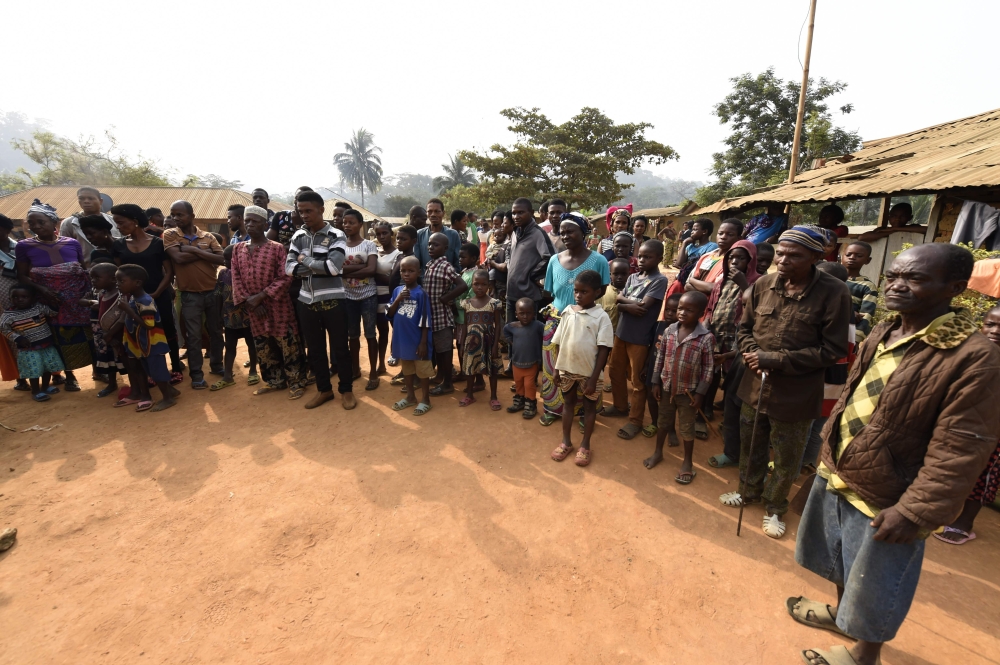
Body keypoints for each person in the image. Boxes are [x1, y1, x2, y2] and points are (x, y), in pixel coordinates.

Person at [788, 243, 1000, 665]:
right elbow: (852, 397)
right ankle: (840, 617)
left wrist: (917, 511)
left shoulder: (975, 358)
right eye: (894, 276)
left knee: (876, 584)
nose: (897, 286)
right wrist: (828, 454)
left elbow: (960, 448)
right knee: (841, 561)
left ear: (954, 288)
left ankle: (864, 655)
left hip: (892, 492)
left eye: (915, 278)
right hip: (843, 469)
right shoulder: (888, 329)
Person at [719, 225, 851, 539]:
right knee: (752, 444)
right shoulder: (763, 284)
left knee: (787, 454)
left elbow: (832, 350)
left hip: (797, 393)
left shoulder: (835, 293)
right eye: (781, 252)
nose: (784, 259)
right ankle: (747, 490)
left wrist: (775, 360)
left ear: (816, 257)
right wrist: (752, 354)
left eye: (795, 255)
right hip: (754, 385)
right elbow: (745, 330)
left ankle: (775, 506)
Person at [934, 304, 1000, 546]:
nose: (995, 330)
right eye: (990, 324)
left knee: (984, 473)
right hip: (960, 422)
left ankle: (965, 521)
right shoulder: (971, 352)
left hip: (994, 432)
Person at [286, 191, 355, 410]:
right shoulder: (298, 236)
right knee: (315, 350)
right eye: (301, 211)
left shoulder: (336, 235)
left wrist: (304, 260)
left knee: (340, 349)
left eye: (309, 211)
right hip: (306, 302)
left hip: (334, 301)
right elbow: (289, 268)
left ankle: (346, 391)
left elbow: (333, 267)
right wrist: (316, 266)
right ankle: (324, 390)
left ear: (321, 210)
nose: (304, 215)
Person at [539, 212, 609, 425]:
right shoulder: (554, 260)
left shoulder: (599, 260)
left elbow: (602, 290)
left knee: (585, 369)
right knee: (555, 369)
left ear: (584, 232)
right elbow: (550, 291)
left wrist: (580, 311)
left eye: (571, 231)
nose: (566, 235)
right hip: (557, 322)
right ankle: (553, 408)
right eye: (562, 232)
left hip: (587, 323)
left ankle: (584, 413)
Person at [16, 199, 93, 391]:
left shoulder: (72, 243)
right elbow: (22, 276)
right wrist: (43, 290)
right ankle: (69, 375)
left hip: (78, 300)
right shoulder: (24, 246)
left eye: (41, 222)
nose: (36, 226)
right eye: (32, 223)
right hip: (50, 301)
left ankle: (98, 369)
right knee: (59, 338)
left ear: (54, 222)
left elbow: (83, 270)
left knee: (88, 335)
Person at [231, 206, 307, 399]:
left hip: (278, 306)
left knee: (287, 343)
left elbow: (285, 277)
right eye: (247, 221)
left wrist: (261, 296)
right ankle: (275, 381)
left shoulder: (277, 248)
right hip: (254, 309)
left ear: (265, 224)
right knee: (263, 345)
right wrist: (250, 302)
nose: (250, 224)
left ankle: (297, 381)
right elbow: (236, 277)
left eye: (255, 221)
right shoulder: (238, 249)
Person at [646, 291, 714, 483]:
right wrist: (655, 381)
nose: (682, 313)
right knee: (663, 421)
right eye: (680, 309)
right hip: (667, 387)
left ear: (700, 313)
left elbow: (708, 369)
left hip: (688, 392)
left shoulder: (706, 338)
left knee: (686, 427)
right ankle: (658, 452)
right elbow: (660, 358)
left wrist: (700, 394)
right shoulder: (669, 331)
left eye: (689, 310)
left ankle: (687, 463)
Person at [110, 204, 183, 382]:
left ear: (135, 222)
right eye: (116, 223)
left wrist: (157, 293)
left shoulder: (158, 243)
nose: (118, 227)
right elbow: (120, 273)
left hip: (159, 295)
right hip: (134, 299)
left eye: (120, 222)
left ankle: (175, 366)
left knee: (167, 329)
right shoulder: (118, 245)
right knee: (140, 330)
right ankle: (151, 371)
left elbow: (169, 271)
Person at [549, 270, 614, 467]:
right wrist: (556, 369)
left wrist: (594, 378)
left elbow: (604, 350)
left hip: (589, 373)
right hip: (567, 369)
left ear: (596, 292)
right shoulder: (567, 311)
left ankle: (585, 445)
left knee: (589, 407)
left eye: (584, 291)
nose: (578, 295)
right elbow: (559, 342)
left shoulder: (601, 317)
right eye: (576, 291)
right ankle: (566, 442)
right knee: (568, 404)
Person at [605, 240, 667, 439]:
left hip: (639, 338)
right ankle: (620, 406)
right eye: (640, 256)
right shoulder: (632, 277)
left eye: (647, 257)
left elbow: (644, 307)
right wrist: (627, 305)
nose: (642, 260)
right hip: (621, 333)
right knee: (615, 371)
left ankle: (635, 421)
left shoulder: (659, 280)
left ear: (659, 258)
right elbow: (619, 300)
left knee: (637, 381)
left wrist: (625, 304)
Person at [799, 261, 855, 475]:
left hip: (820, 373)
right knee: (818, 424)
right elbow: (851, 346)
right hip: (836, 374)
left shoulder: (828, 305)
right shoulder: (845, 305)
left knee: (806, 423)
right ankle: (807, 461)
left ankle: (794, 467)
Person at [162, 200, 225, 389]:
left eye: (179, 214)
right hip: (189, 295)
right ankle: (197, 374)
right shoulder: (170, 234)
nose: (175, 218)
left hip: (212, 292)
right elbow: (178, 258)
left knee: (215, 332)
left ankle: (216, 365)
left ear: (192, 216)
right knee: (194, 336)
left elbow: (222, 259)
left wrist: (193, 250)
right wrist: (204, 252)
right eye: (173, 214)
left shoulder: (207, 236)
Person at [115, 264, 180, 412]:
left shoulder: (145, 301)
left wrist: (128, 310)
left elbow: (148, 325)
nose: (117, 284)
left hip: (152, 344)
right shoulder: (134, 298)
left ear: (137, 282)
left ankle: (168, 398)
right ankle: (171, 391)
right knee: (151, 370)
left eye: (121, 281)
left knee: (157, 371)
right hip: (142, 344)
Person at [0, 284, 64, 401]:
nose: (20, 299)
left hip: (46, 345)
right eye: (15, 297)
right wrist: (17, 338)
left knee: (48, 367)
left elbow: (52, 313)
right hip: (28, 349)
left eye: (24, 297)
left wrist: (54, 302)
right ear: (9, 299)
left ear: (33, 298)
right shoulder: (8, 315)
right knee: (33, 369)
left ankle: (45, 386)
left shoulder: (38, 307)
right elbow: (4, 329)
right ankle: (35, 391)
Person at [388, 256, 434, 416]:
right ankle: (410, 397)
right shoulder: (397, 291)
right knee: (407, 369)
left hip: (417, 341)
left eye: (411, 271)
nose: (406, 274)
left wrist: (423, 343)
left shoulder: (421, 294)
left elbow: (426, 319)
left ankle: (426, 400)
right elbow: (389, 313)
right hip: (402, 340)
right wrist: (398, 299)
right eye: (403, 271)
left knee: (422, 371)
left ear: (418, 272)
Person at [423, 232, 468, 396]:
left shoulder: (445, 266)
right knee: (438, 350)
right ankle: (441, 376)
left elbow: (462, 285)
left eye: (435, 245)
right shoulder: (431, 264)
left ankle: (448, 383)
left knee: (445, 350)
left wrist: (446, 298)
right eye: (429, 244)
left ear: (445, 248)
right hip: (432, 316)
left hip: (442, 316)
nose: (431, 247)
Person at [340, 209, 380, 391]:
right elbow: (336, 269)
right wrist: (361, 265)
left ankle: (373, 372)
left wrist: (347, 269)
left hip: (368, 296)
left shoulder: (369, 245)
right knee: (352, 336)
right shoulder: (339, 245)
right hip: (348, 296)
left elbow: (371, 270)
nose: (347, 225)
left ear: (360, 224)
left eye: (351, 222)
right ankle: (356, 369)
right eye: (344, 222)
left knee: (371, 335)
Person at [211, 245, 258, 390]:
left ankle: (253, 371)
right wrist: (219, 315)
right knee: (230, 346)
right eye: (224, 258)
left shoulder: (247, 273)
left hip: (248, 317)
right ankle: (228, 376)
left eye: (228, 258)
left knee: (252, 345)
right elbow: (218, 295)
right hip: (229, 318)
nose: (224, 261)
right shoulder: (223, 274)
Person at [505, 198, 555, 325]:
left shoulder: (538, 233)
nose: (516, 216)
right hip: (511, 293)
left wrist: (532, 275)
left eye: (521, 212)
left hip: (528, 296)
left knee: (529, 336)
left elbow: (549, 257)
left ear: (531, 212)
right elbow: (509, 252)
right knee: (511, 333)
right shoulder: (516, 232)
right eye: (514, 213)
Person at [459, 269, 503, 409]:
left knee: (493, 370)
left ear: (488, 285)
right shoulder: (467, 303)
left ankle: (494, 397)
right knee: (470, 368)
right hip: (471, 343)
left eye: (483, 284)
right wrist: (462, 344)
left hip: (489, 343)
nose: (479, 287)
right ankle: (469, 395)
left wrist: (496, 344)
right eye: (476, 284)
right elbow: (465, 325)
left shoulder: (494, 303)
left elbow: (497, 326)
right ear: (471, 285)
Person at [640, 293, 680, 440]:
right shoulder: (658, 326)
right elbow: (652, 348)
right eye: (667, 309)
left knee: (668, 403)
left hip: (670, 373)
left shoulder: (682, 331)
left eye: (674, 311)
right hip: (653, 370)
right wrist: (645, 366)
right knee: (651, 397)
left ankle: (671, 430)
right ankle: (655, 422)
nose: (669, 313)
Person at [85, 262, 126, 398]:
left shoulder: (122, 294)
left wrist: (111, 334)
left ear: (113, 279)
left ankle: (136, 386)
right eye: (92, 278)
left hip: (118, 334)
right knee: (108, 358)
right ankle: (112, 383)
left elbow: (122, 317)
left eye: (97, 278)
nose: (93, 281)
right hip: (104, 334)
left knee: (126, 359)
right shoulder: (101, 293)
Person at [504, 297, 544, 418]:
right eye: (522, 313)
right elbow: (505, 331)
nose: (525, 316)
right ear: (516, 314)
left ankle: (531, 404)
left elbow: (547, 334)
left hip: (532, 363)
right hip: (516, 363)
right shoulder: (512, 326)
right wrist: (512, 342)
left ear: (534, 313)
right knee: (519, 383)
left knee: (529, 385)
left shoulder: (538, 326)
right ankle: (520, 401)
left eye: (528, 313)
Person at [59, 186, 121, 260]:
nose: (86, 201)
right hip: (86, 268)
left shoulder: (113, 220)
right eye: (81, 198)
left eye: (91, 198)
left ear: (100, 201)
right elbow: (65, 249)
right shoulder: (69, 223)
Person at [0, 214, 25, 388]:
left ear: (7, 230)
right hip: (2, 304)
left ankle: (51, 372)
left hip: (27, 299)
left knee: (37, 332)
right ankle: (20, 377)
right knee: (11, 337)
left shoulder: (21, 249)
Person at [599, 258, 630, 393]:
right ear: (610, 274)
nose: (619, 277)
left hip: (623, 336)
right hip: (606, 335)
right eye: (615, 274)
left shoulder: (631, 292)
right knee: (601, 361)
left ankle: (616, 384)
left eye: (623, 274)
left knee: (620, 364)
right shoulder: (604, 292)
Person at [374, 221, 400, 375]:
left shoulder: (398, 254)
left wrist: (370, 272)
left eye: (385, 233)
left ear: (391, 233)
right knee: (382, 331)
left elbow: (393, 280)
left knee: (396, 328)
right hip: (374, 296)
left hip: (390, 297)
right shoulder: (374, 251)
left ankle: (396, 354)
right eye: (378, 234)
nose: (382, 236)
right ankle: (381, 364)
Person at [454, 243, 481, 388]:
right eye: (459, 256)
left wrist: (454, 302)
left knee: (470, 348)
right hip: (460, 319)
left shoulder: (475, 276)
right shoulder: (465, 272)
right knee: (460, 346)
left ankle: (478, 379)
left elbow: (472, 301)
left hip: (468, 320)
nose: (460, 259)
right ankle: (465, 372)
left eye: (463, 257)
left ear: (474, 258)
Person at [841, 241, 879, 343]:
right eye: (848, 254)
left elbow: (866, 316)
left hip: (846, 336)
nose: (852, 257)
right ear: (842, 256)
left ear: (867, 260)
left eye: (859, 256)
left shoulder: (867, 286)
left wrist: (855, 340)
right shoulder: (829, 278)